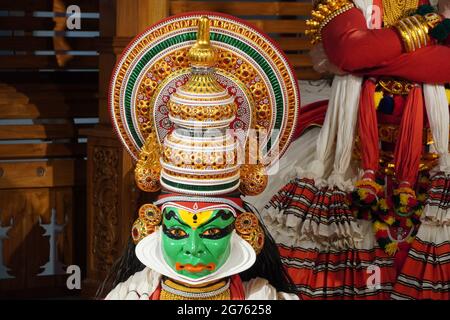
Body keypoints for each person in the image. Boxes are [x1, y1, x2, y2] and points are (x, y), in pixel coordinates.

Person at [246, 0, 450, 299]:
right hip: (350, 151)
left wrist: (364, 59)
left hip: (435, 149)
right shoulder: (347, 2)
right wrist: (422, 33)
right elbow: (351, 51)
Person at [97, 16, 298, 300]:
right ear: (153, 225)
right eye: (177, 232)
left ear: (243, 230)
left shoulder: (262, 298)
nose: (193, 249)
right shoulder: (132, 295)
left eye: (213, 231)